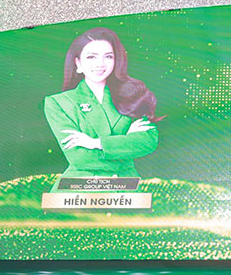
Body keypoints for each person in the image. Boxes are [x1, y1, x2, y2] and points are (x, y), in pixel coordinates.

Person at [44, 28, 160, 189]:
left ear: (116, 61)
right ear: (78, 63)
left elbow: (147, 142)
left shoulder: (134, 95)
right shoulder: (58, 102)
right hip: (79, 190)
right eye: (91, 57)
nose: (100, 64)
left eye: (108, 56)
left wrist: (96, 143)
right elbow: (79, 158)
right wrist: (125, 144)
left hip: (127, 189)